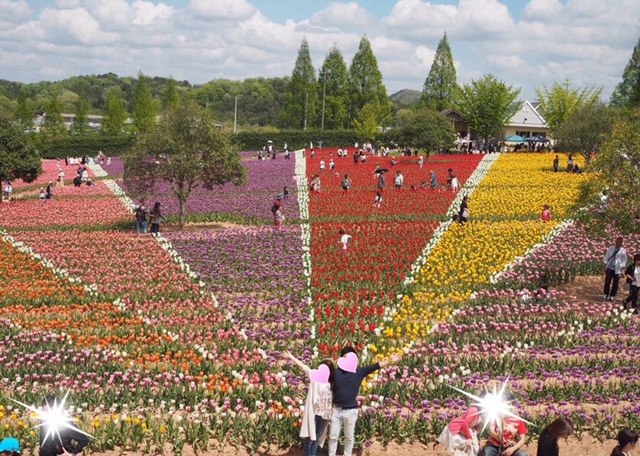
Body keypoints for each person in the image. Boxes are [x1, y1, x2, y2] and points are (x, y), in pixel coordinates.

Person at [327, 347, 402, 456]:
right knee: (333, 436)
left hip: (350, 410)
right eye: (346, 356)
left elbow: (376, 366)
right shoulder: (335, 372)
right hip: (336, 410)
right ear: (341, 358)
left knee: (349, 436)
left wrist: (390, 360)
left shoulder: (359, 372)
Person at [283, 352, 334, 456]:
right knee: (309, 438)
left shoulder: (333, 383)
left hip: (325, 415)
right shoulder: (315, 378)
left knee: (317, 438)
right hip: (314, 413)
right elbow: (304, 367)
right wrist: (291, 357)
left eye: (328, 369)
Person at [603, 237, 627, 301]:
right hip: (610, 268)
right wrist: (605, 266)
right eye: (618, 241)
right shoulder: (611, 248)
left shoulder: (623, 250)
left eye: (621, 242)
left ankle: (612, 296)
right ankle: (605, 294)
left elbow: (624, 260)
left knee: (615, 283)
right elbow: (607, 257)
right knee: (607, 282)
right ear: (615, 242)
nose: (619, 243)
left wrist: (622, 269)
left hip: (618, 269)